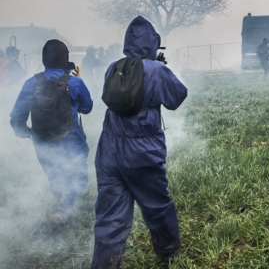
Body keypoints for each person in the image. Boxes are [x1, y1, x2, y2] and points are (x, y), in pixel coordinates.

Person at [92, 16, 188, 268]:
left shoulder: (113, 67)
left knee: (110, 215)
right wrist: (160, 67)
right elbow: (177, 98)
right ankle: (168, 252)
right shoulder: (157, 70)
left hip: (108, 150)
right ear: (153, 43)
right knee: (157, 204)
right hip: (142, 151)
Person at [10, 40, 93, 227]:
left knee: (55, 175)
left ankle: (63, 208)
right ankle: (64, 208)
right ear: (65, 58)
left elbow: (17, 115)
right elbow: (87, 108)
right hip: (72, 140)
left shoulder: (31, 82)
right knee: (78, 175)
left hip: (42, 140)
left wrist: (25, 131)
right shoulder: (75, 82)